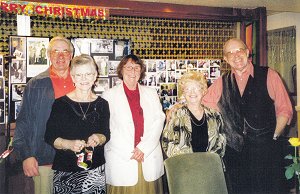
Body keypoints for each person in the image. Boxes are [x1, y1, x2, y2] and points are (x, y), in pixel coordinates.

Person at [202, 38, 293, 194]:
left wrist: (274, 136)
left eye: (239, 50)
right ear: (225, 59)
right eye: (230, 53)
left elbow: (285, 110)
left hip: (266, 153)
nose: (236, 55)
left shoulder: (269, 75)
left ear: (247, 52)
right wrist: (177, 108)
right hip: (236, 156)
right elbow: (202, 103)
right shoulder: (221, 82)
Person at [12, 36, 75, 194]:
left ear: (71, 55)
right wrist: (26, 155)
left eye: (65, 51)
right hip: (46, 159)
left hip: (76, 160)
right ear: (49, 55)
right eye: (56, 51)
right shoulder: (36, 84)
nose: (60, 56)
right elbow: (23, 121)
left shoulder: (81, 81)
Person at [44, 54, 110, 193]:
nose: (84, 79)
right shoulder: (61, 104)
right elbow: (50, 136)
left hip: (94, 172)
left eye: (88, 74)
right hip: (65, 172)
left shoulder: (103, 104)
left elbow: (106, 134)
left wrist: (99, 138)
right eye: (79, 75)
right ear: (73, 77)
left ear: (95, 76)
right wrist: (69, 144)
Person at [102, 54, 165, 194]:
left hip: (148, 156)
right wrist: (131, 153)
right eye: (129, 67)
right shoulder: (108, 96)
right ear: (121, 70)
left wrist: (143, 148)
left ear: (141, 72)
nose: (133, 71)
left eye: (137, 68)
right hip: (122, 158)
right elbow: (108, 128)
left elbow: (159, 121)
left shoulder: (151, 93)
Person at [162, 71, 226, 158]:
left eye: (196, 88)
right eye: (188, 89)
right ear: (183, 92)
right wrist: (189, 163)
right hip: (184, 168)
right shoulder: (176, 115)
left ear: (203, 91)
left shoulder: (215, 116)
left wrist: (209, 162)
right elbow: (167, 143)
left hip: (210, 167)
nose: (192, 92)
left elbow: (221, 143)